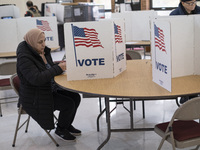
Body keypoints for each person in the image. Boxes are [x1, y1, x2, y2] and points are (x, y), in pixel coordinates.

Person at [16, 28, 81, 141]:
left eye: (44, 40)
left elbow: (47, 68)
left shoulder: (41, 52)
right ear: (31, 41)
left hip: (46, 89)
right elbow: (37, 79)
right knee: (68, 104)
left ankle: (66, 124)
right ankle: (60, 129)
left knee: (76, 96)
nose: (43, 44)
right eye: (40, 42)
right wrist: (57, 68)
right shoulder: (24, 58)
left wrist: (57, 65)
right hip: (34, 96)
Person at [170, 0, 200, 104]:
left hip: (197, 47)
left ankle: (194, 95)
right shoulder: (174, 15)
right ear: (183, 3)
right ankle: (185, 94)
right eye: (190, 3)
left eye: (194, 3)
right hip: (181, 49)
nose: (193, 6)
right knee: (184, 74)